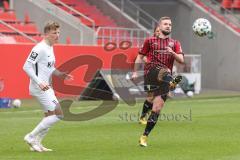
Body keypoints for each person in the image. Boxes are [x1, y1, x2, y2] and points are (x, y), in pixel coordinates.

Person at [132, 16, 184, 147]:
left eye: (170, 24)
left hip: (165, 77)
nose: (168, 26)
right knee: (152, 94)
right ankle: (171, 83)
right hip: (151, 73)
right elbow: (140, 57)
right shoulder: (149, 41)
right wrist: (134, 72)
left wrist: (172, 53)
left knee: (157, 108)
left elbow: (181, 60)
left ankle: (144, 136)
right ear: (159, 27)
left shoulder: (175, 43)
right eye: (165, 24)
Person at [23, 21, 72, 152]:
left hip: (46, 86)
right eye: (54, 33)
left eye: (58, 32)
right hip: (39, 87)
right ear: (46, 34)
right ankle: (31, 136)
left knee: (49, 115)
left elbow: (49, 67)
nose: (57, 35)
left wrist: (60, 74)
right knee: (59, 114)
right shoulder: (39, 48)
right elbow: (26, 66)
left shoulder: (50, 47)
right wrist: (39, 82)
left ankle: (37, 143)